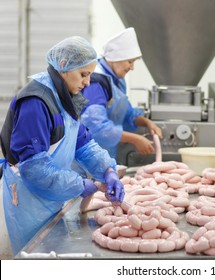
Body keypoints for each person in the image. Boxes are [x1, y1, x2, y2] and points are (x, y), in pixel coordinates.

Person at [0, 36, 125, 255]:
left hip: (49, 195)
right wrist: (79, 184)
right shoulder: (36, 103)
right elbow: (34, 170)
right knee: (29, 258)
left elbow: (84, 144)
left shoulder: (66, 97)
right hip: (27, 201)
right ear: (64, 67)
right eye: (83, 74)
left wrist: (108, 170)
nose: (87, 82)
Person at [81, 27, 162, 159]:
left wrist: (147, 123)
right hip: (87, 158)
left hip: (104, 155)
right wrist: (135, 139)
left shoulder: (117, 80)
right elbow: (96, 127)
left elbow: (126, 112)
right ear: (115, 58)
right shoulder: (95, 83)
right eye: (130, 61)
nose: (132, 67)